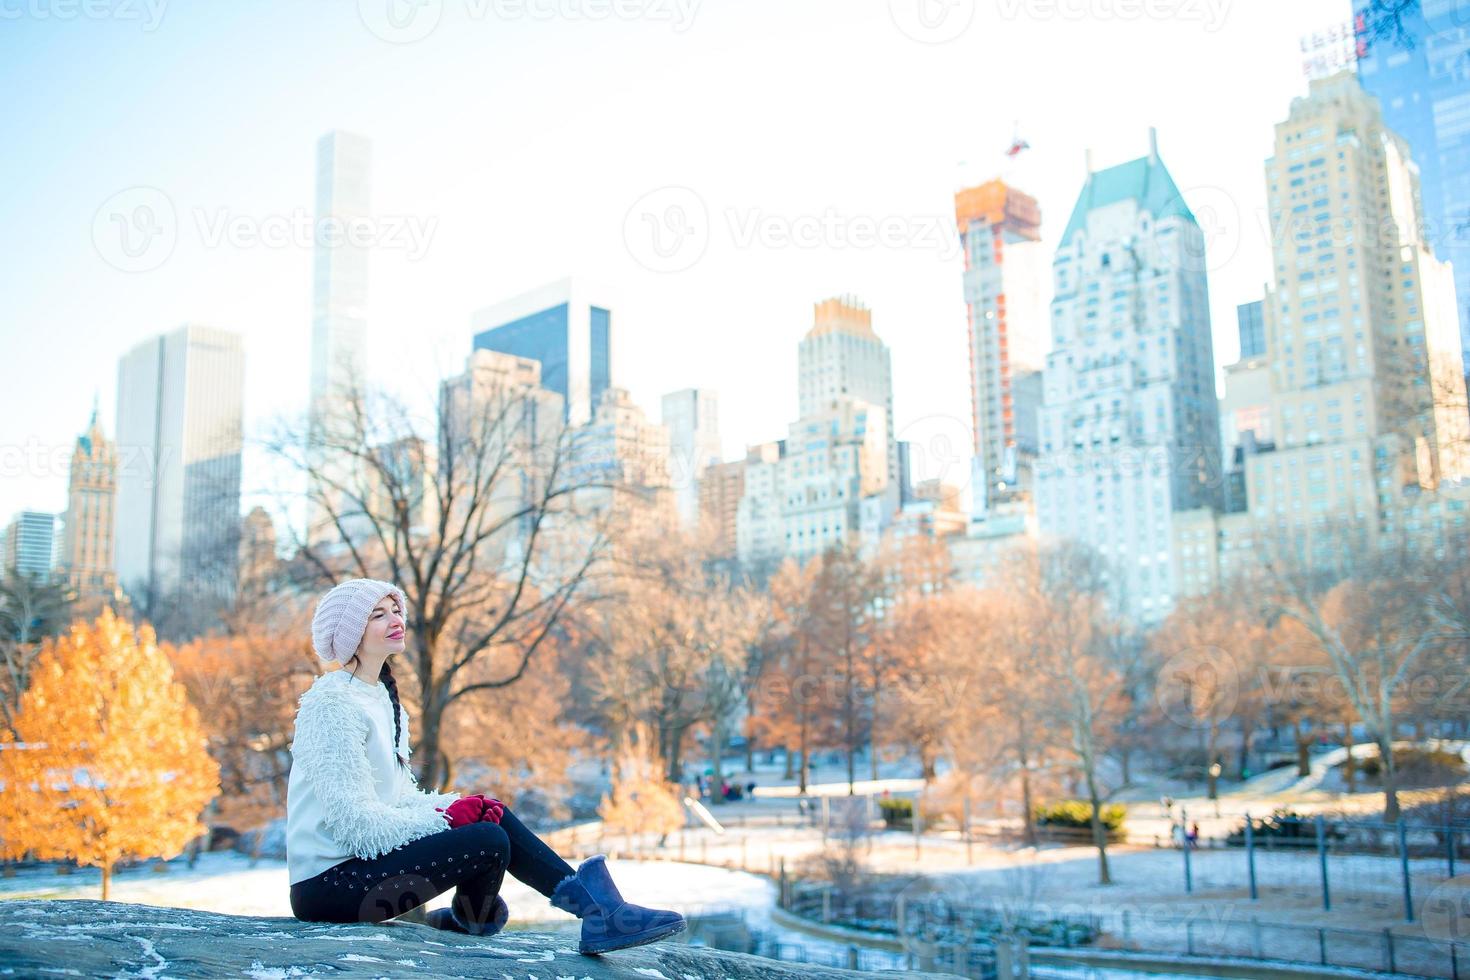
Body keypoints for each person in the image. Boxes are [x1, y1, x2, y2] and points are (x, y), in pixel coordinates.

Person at [286, 578, 685, 954]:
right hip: (330, 888)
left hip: (365, 875)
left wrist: (455, 811)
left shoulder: (383, 700)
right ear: (351, 633)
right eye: (378, 614)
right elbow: (358, 825)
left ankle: (593, 911)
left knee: (491, 813)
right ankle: (487, 917)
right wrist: (446, 821)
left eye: (396, 609)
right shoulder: (332, 704)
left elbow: (400, 800)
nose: (396, 619)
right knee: (487, 839)